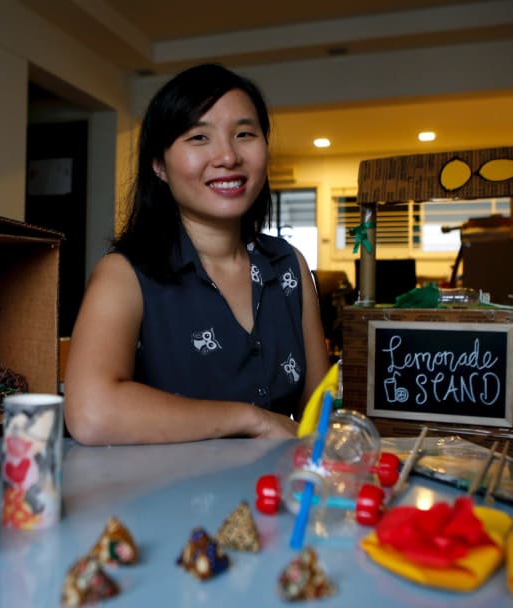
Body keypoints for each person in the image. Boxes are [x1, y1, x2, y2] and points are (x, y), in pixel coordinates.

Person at [63, 63, 328, 445]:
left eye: (245, 134)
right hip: (166, 500)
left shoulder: (288, 265)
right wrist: (251, 419)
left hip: (277, 497)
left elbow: (317, 413)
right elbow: (91, 413)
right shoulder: (124, 274)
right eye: (199, 137)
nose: (227, 156)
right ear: (159, 165)